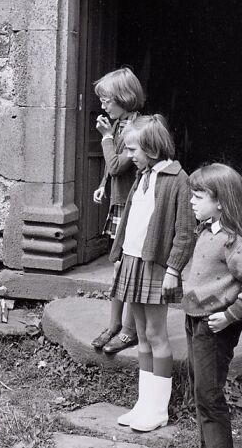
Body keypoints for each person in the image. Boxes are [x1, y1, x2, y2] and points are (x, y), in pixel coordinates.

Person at [110, 114, 196, 432]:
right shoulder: (143, 176)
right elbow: (130, 220)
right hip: (133, 262)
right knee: (142, 337)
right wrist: (118, 255)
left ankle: (159, 410)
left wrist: (173, 269)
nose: (130, 155)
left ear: (153, 147)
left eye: (133, 149)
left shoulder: (177, 179)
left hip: (156, 267)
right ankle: (143, 404)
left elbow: (185, 232)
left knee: (157, 335)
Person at [185, 163, 242, 448]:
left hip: (214, 326)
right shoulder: (207, 231)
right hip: (195, 319)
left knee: (209, 395)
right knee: (200, 392)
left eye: (198, 196)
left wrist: (229, 315)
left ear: (220, 202)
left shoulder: (232, 242)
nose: (191, 201)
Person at [90, 67, 144, 354]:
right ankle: (114, 325)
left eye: (107, 100)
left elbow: (116, 164)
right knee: (118, 268)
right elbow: (112, 172)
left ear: (124, 97)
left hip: (134, 206)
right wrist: (103, 185)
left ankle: (129, 330)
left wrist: (105, 138)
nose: (103, 105)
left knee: (130, 269)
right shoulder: (120, 125)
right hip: (119, 201)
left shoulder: (137, 128)